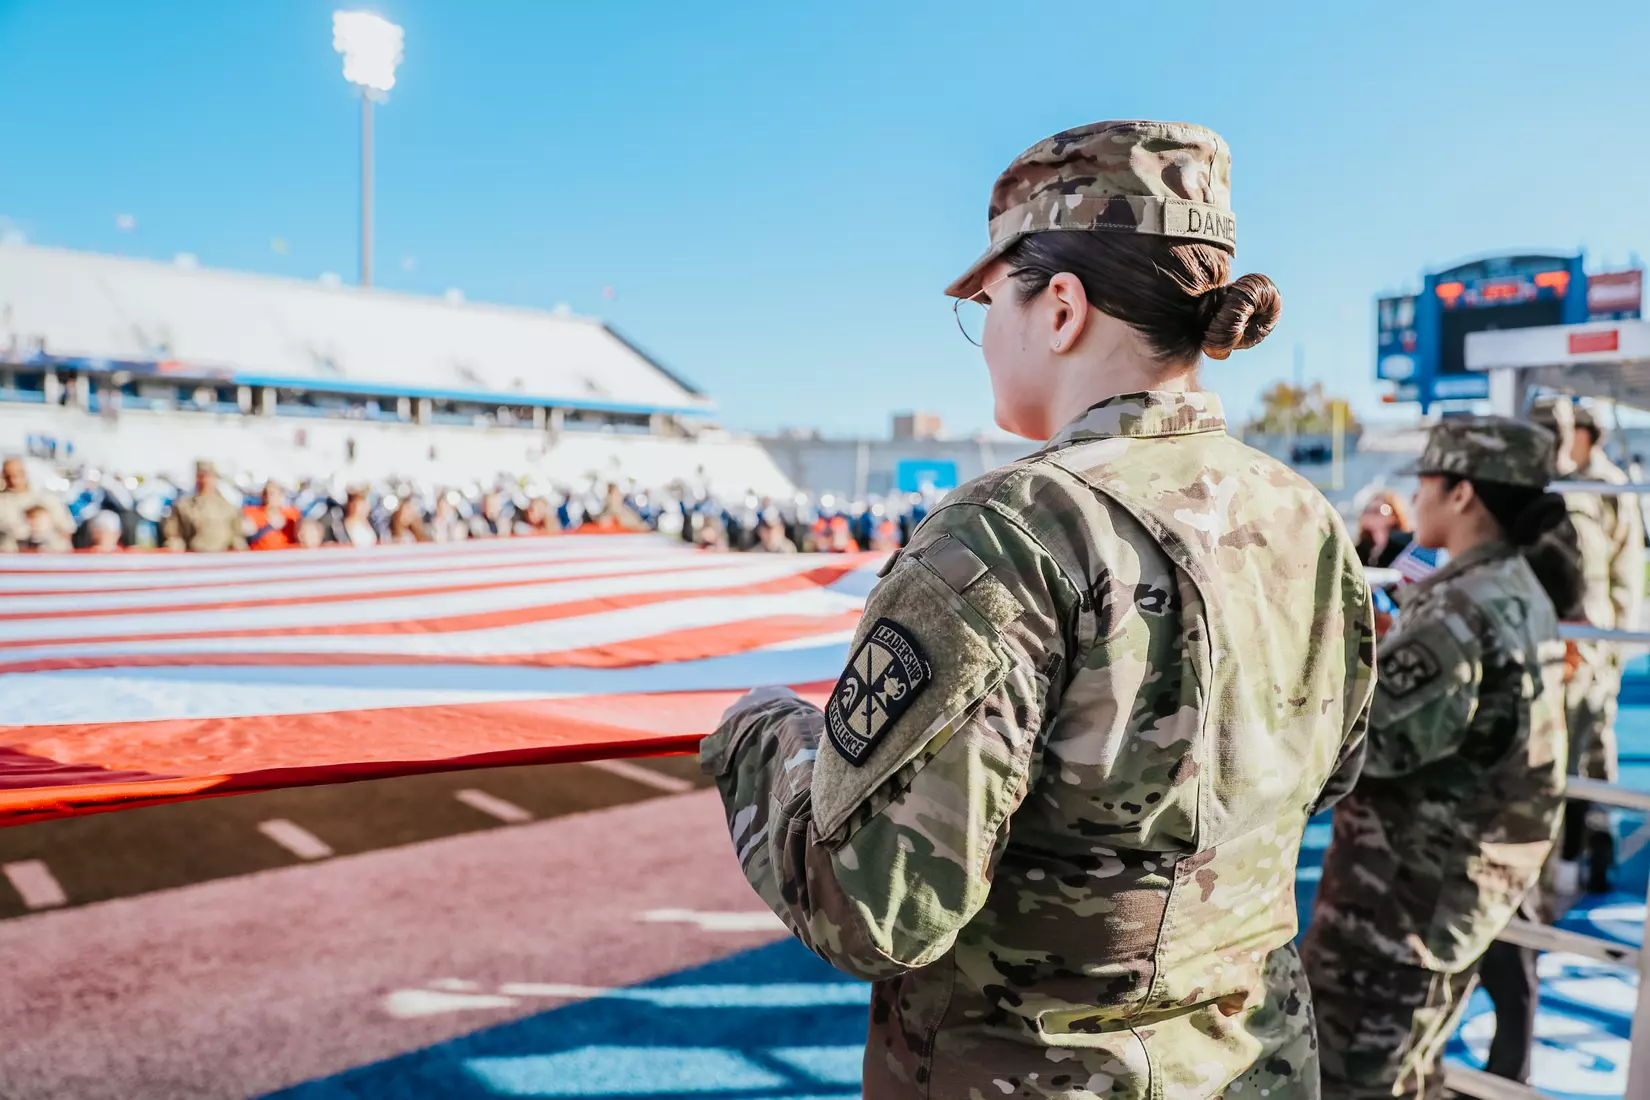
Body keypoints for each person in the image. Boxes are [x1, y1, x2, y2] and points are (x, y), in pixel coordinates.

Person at [700, 119, 1374, 1099]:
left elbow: (874, 905)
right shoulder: (1308, 519)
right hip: (1252, 1068)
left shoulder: (1012, 527)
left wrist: (761, 734)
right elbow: (1326, 779)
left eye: (987, 305)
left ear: (1060, 306)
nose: (986, 341)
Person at [1303, 417, 1582, 1098]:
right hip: (1453, 896)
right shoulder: (1516, 587)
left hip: (1399, 911)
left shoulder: (1460, 609)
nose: (1416, 497)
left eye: (1424, 482)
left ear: (1462, 494)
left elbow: (1354, 749)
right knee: (1410, 1072)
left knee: (1348, 1082)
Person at [1535, 400, 1645, 894]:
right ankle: (1570, 852)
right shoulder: (1546, 483)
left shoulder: (1605, 485)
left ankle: (1589, 844)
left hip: (1593, 639)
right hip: (1562, 641)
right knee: (1571, 749)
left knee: (1592, 746)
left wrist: (1615, 644)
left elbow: (1625, 569)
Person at [162, 460, 247, 552]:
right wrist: (175, 546)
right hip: (194, 557)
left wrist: (239, 548)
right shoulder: (184, 506)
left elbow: (237, 534)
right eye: (201, 476)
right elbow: (173, 534)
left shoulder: (228, 506)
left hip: (222, 557)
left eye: (209, 476)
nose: (205, 480)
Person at [0, 455, 75, 552]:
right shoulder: (3, 502)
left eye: (18, 474)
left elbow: (66, 530)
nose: (13, 479)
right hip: (11, 559)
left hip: (48, 558)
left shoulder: (47, 499)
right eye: (8, 475)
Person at [1355, 488, 1415, 568]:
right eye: (1367, 509)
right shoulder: (1360, 550)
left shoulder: (1406, 545)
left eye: (1377, 510)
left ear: (1394, 515)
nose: (1370, 514)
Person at [243, 480, 302, 551]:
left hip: (287, 556)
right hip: (259, 556)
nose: (268, 497)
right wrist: (269, 527)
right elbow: (246, 540)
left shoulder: (292, 514)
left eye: (272, 493)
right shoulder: (252, 513)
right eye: (265, 493)